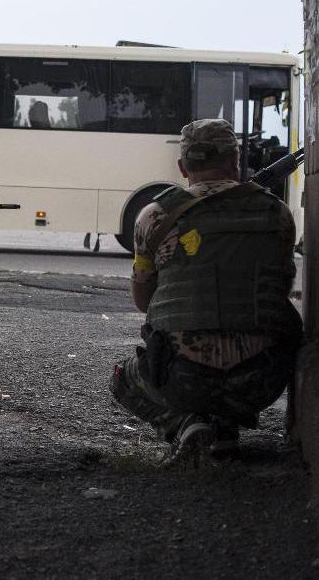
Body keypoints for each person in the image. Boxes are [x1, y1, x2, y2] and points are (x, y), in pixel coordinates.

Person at [109, 118, 302, 465]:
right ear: (235, 161)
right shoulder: (278, 213)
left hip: (182, 379)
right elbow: (280, 290)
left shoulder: (154, 216)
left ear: (183, 167)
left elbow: (143, 302)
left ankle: (186, 424)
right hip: (263, 379)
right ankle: (223, 431)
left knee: (122, 380)